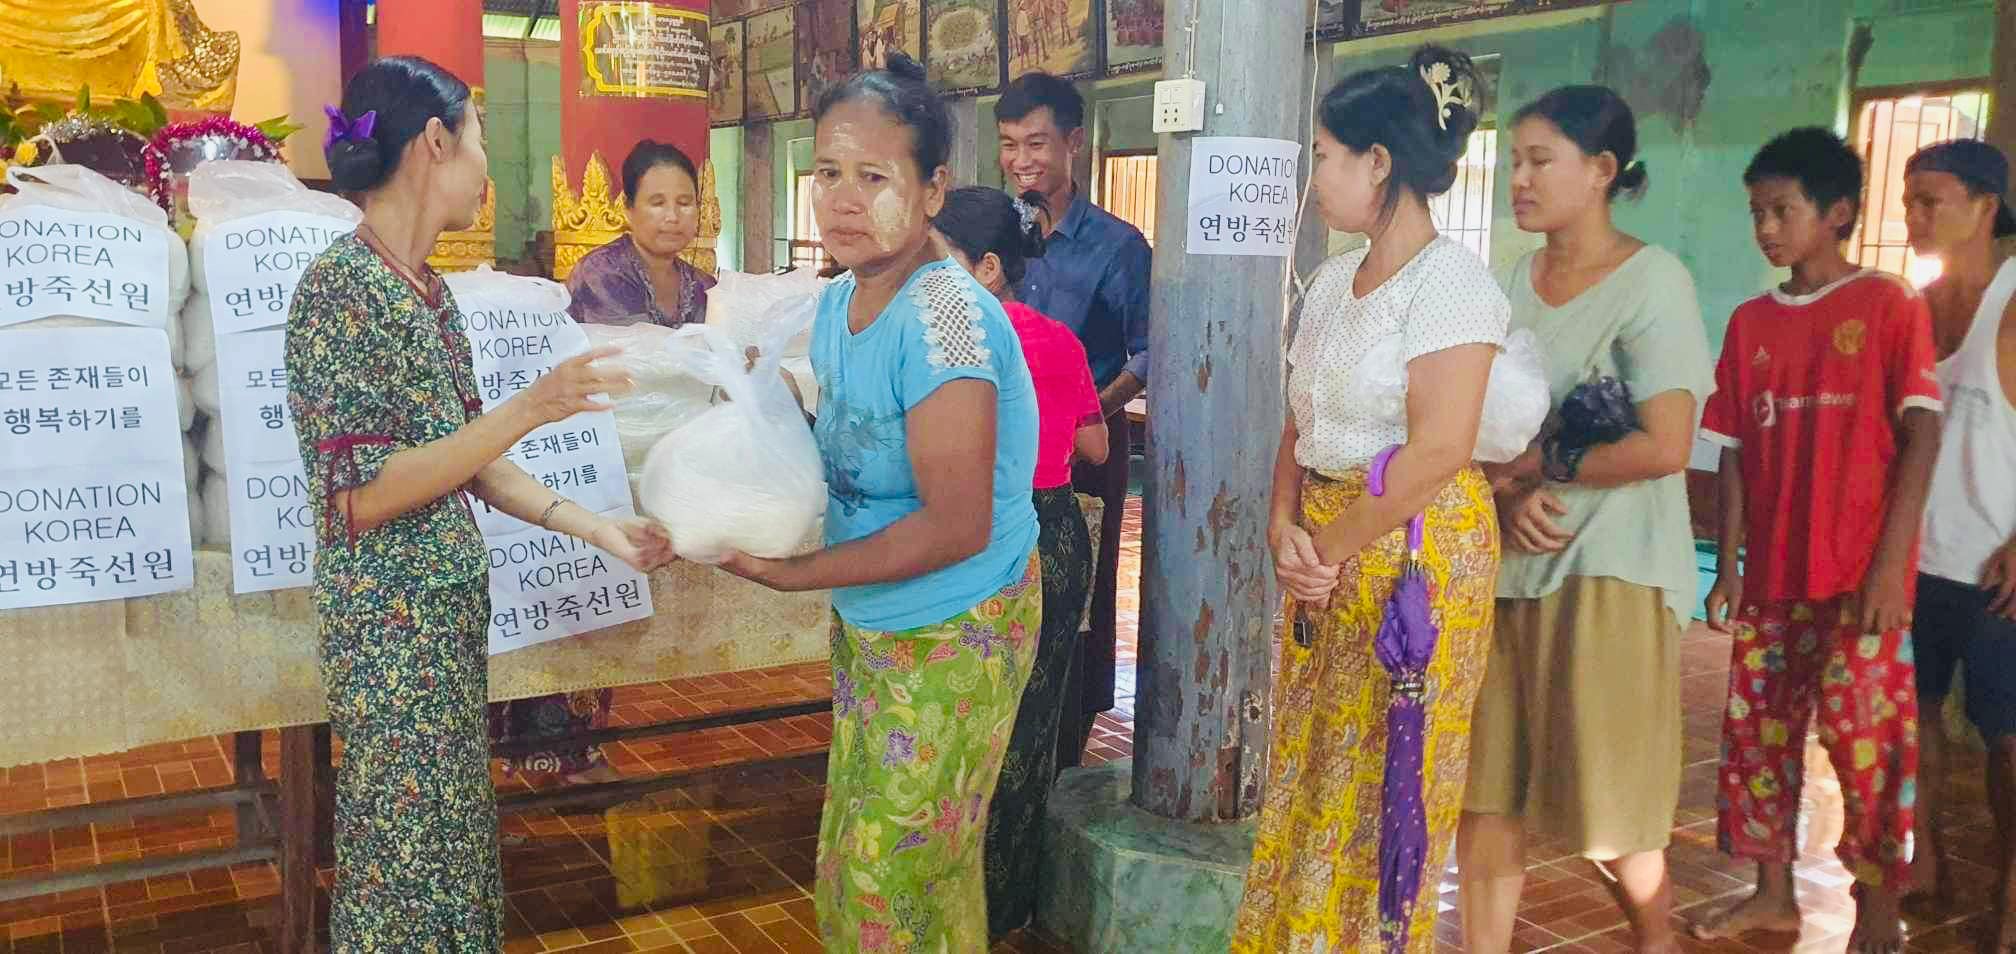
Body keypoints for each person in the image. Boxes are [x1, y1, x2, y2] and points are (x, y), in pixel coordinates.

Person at [288, 56, 673, 950]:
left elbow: (469, 459)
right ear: (434, 142)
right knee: (406, 857)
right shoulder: (342, 290)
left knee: (454, 847)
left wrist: (599, 529)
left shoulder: (428, 291)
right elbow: (358, 498)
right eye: (481, 138)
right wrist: (531, 405)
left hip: (444, 622)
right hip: (391, 629)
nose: (487, 166)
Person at [712, 52, 1042, 953]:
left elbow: (957, 524)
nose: (842, 201)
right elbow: (847, 443)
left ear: (932, 190)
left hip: (955, 620)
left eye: (873, 177)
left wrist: (797, 573)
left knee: (891, 876)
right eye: (826, 173)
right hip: (874, 615)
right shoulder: (840, 303)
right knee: (869, 860)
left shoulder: (945, 320)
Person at [1232, 46, 1507, 954]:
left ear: (1377, 162)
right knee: (1313, 761)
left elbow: (1440, 450)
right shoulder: (1329, 287)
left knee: (1386, 775)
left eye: (1322, 155)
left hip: (1410, 562)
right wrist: (1283, 524)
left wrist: (1327, 546)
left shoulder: (1450, 283)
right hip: (1328, 553)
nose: (1313, 178)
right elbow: (1298, 423)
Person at [1454, 86, 1712, 954]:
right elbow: (1480, 430)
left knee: (1611, 805)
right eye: (1514, 161)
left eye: (1540, 161)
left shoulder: (1653, 282)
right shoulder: (1506, 286)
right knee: (1487, 791)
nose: (1519, 180)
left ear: (1601, 171)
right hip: (1508, 570)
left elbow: (1666, 443)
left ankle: (1655, 939)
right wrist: (1508, 493)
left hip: (1610, 569)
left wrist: (1540, 468)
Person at [1690, 127, 1942, 954]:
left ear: (1836, 213)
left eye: (1782, 211)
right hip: (1773, 579)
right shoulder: (1750, 322)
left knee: (1867, 742)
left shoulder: (1889, 304)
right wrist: (1729, 566)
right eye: (1756, 212)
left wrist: (1891, 569)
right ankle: (1772, 895)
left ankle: (1879, 900)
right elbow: (1731, 451)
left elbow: (1922, 437)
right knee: (1758, 737)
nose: (1765, 228)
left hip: (1860, 578)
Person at [932, 186, 1109, 940]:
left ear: (989, 266)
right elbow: (1096, 446)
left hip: (983, 535)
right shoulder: (1057, 339)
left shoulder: (947, 341)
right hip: (1057, 532)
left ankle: (949, 900)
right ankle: (1007, 904)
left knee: (958, 722)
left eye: (940, 259)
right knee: (1031, 727)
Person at [997, 71, 1151, 769]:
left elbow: (1150, 351)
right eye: (1009, 145)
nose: (1021, 160)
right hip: (1001, 443)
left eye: (1036, 143)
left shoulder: (1117, 246)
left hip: (1086, 444)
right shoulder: (995, 231)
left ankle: (1068, 738)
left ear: (1074, 143)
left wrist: (1086, 410)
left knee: (1082, 587)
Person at [1902, 138, 2016, 949]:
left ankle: (2010, 893)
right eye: (1907, 201)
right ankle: (1927, 860)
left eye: (1929, 200)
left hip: (1995, 567)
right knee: (1915, 719)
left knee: (2007, 742)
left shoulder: (2012, 305)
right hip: (1917, 558)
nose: (1913, 215)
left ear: (1984, 206)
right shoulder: (1915, 307)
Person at [565, 139, 716, 329]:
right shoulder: (600, 272)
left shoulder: (705, 286)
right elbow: (636, 346)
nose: (673, 216)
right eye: (658, 203)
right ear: (629, 209)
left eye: (684, 203)